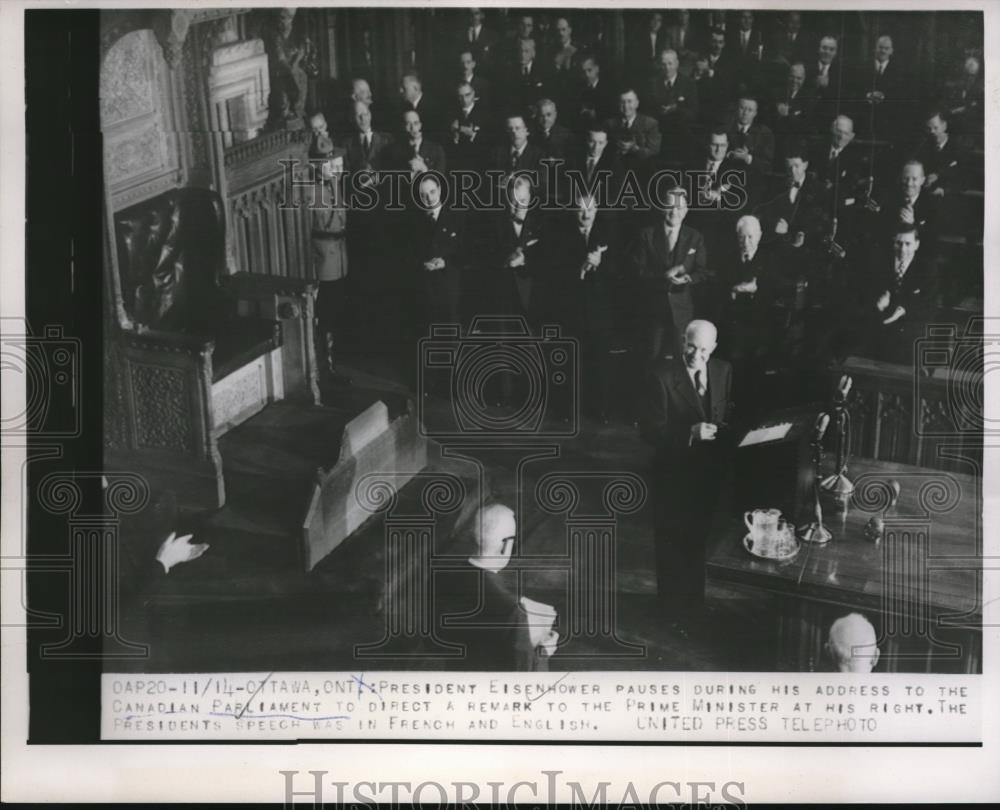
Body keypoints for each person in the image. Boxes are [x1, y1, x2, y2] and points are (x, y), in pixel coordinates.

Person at [640, 319, 734, 630]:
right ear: (682, 341)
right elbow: (650, 432)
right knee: (671, 545)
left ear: (714, 349)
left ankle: (695, 607)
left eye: (704, 350)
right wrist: (688, 433)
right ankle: (669, 612)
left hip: (708, 477)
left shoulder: (722, 370)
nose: (697, 355)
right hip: (673, 477)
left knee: (698, 543)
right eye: (691, 346)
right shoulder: (661, 376)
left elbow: (725, 413)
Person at [436, 503, 559, 671]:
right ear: (504, 546)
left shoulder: (441, 577)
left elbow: (433, 643)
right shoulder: (513, 612)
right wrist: (544, 651)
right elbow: (525, 679)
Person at [633, 186, 708, 362]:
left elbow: (703, 272)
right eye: (669, 206)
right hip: (652, 311)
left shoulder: (695, 237)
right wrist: (662, 276)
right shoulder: (647, 235)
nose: (675, 211)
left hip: (682, 313)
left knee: (681, 362)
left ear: (687, 210)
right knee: (650, 360)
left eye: (680, 207)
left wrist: (688, 278)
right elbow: (637, 271)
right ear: (661, 207)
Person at [862, 224, 938, 363]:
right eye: (899, 243)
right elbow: (865, 296)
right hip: (880, 333)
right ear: (893, 243)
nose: (903, 249)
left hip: (911, 335)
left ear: (917, 244)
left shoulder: (927, 269)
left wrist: (903, 310)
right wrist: (878, 304)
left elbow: (930, 305)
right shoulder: (878, 264)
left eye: (908, 244)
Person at [309, 138, 352, 386]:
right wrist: (336, 184)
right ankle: (326, 369)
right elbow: (333, 223)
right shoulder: (316, 190)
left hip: (338, 256)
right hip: (325, 261)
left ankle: (332, 364)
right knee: (325, 315)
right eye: (331, 162)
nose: (336, 166)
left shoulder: (331, 185)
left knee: (334, 313)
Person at [411, 174, 465, 333]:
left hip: (450, 285)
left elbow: (466, 250)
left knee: (451, 332)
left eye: (432, 192)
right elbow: (409, 253)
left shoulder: (456, 216)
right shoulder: (415, 221)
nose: (429, 198)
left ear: (440, 190)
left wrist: (446, 261)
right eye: (424, 195)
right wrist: (421, 263)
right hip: (426, 287)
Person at [647, 48, 699, 164]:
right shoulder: (652, 83)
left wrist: (676, 109)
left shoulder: (688, 84)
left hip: (681, 136)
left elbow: (694, 113)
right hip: (659, 135)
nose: (667, 68)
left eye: (670, 64)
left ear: (677, 64)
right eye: (663, 64)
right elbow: (648, 111)